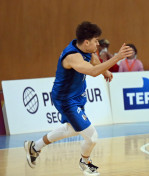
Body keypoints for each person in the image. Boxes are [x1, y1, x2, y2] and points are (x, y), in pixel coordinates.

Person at [24, 21, 133, 176]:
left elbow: (94, 58)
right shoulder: (72, 57)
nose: (98, 44)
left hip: (76, 96)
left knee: (72, 130)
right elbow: (93, 71)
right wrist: (117, 58)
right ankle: (85, 163)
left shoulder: (83, 47)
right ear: (87, 41)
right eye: (96, 41)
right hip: (65, 99)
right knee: (92, 137)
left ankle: (34, 147)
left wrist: (106, 71)